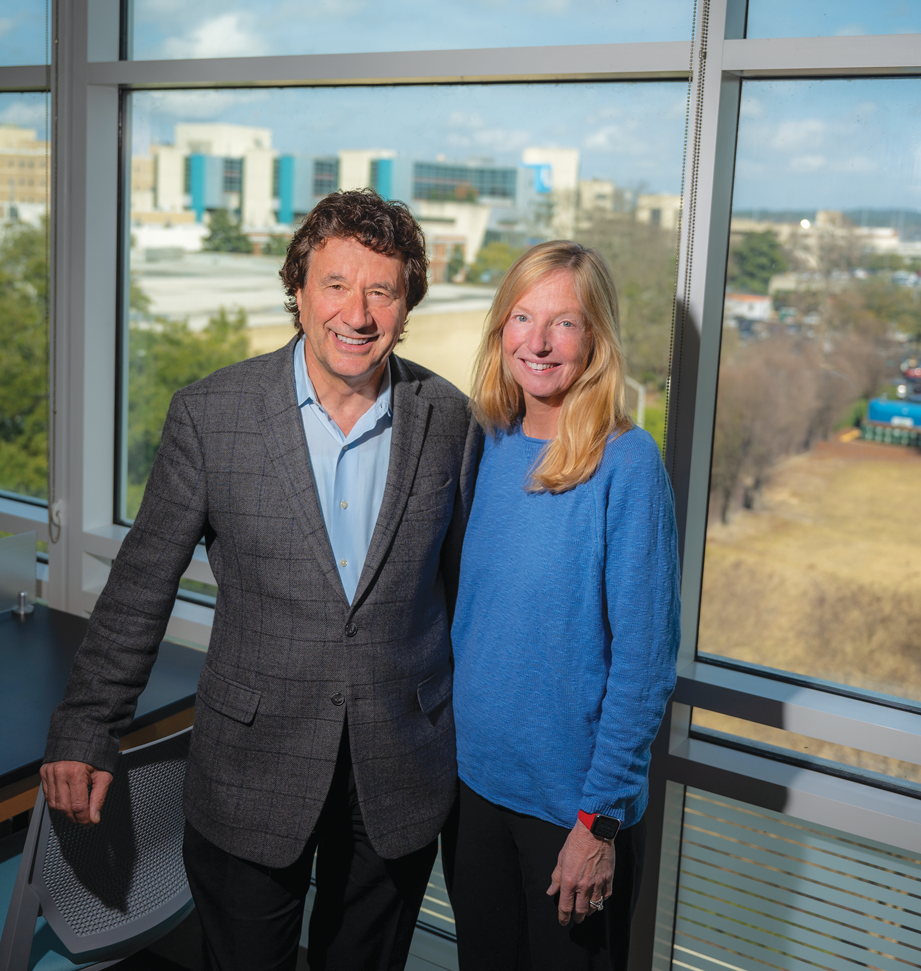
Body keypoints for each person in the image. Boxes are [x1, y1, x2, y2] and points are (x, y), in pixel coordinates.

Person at [40, 189, 479, 971]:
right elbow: (144, 582)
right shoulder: (213, 415)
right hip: (251, 767)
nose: (359, 311)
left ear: (407, 303)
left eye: (383, 289)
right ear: (299, 291)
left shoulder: (449, 420)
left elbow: (466, 598)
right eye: (336, 284)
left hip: (398, 771)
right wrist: (87, 723)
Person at [444, 240, 680, 971]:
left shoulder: (628, 463)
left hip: (570, 814)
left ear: (597, 338)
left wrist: (598, 822)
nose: (538, 342)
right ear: (500, 329)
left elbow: (644, 662)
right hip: (472, 792)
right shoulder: (484, 442)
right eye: (522, 317)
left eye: (565, 323)